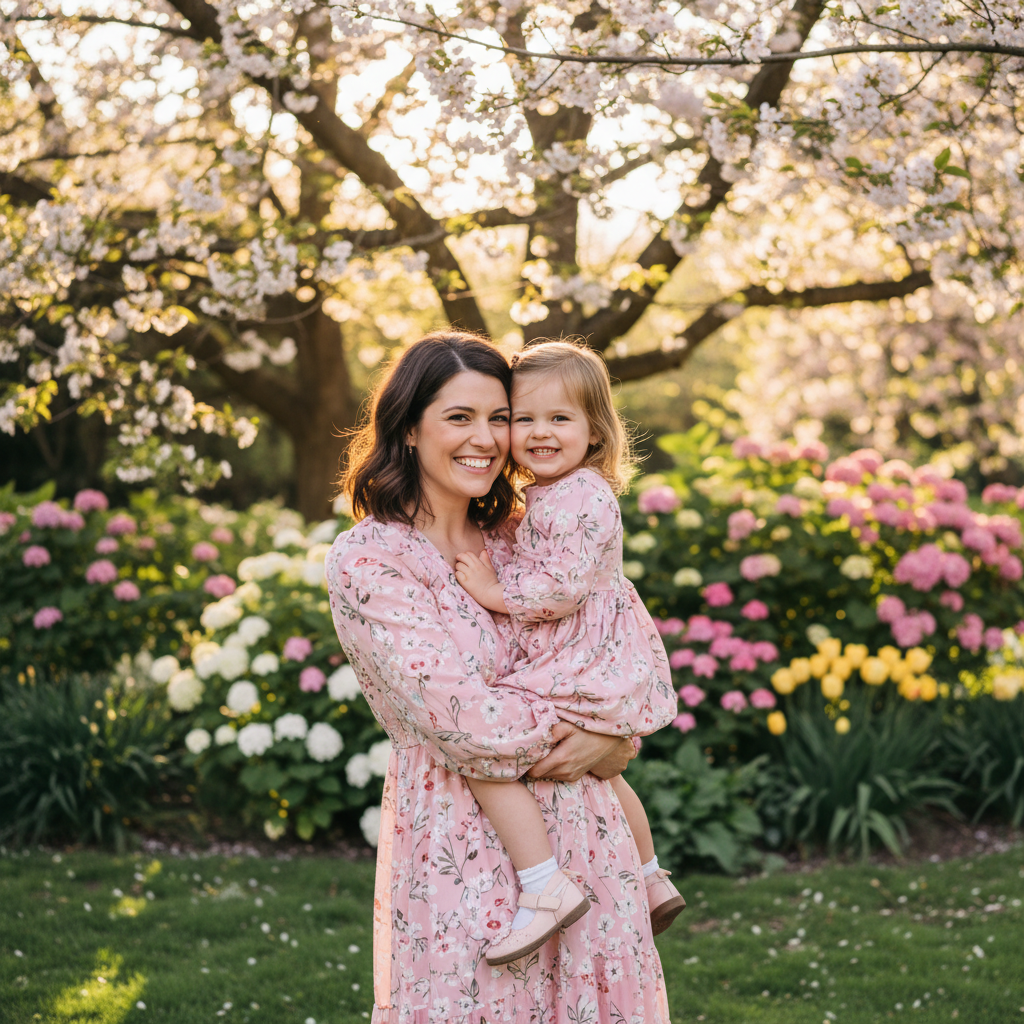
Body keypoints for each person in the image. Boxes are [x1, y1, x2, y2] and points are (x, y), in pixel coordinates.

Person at [325, 332, 674, 1024]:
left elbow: (592, 654)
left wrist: (614, 741)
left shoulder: (525, 536)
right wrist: (597, 744)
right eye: (460, 417)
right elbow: (463, 720)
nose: (486, 437)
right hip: (465, 841)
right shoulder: (372, 561)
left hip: (589, 843)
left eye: (499, 416)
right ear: (408, 427)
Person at [453, 340, 685, 966]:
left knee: (491, 738)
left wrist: (493, 592)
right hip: (581, 647)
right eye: (524, 418)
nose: (539, 432)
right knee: (602, 770)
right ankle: (649, 871)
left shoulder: (581, 495)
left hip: (578, 651)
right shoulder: (550, 494)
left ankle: (543, 884)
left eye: (560, 419)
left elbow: (560, 586)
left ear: (595, 431)